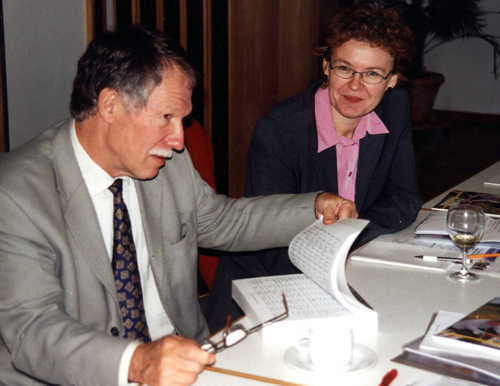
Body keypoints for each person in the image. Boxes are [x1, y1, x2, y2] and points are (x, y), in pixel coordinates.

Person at [0, 27, 356, 386]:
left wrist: (314, 206)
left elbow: (224, 221)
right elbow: (33, 328)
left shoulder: (165, 163)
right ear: (109, 105)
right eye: (166, 117)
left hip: (187, 366)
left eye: (182, 121)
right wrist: (136, 363)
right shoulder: (15, 195)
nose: (179, 141)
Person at [206, 3, 422, 332]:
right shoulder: (280, 130)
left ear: (392, 80)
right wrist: (346, 257)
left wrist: (347, 241)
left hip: (346, 276)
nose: (355, 86)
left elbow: (404, 199)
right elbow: (270, 243)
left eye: (373, 74)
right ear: (325, 66)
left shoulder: (394, 110)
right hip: (267, 294)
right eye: (344, 69)